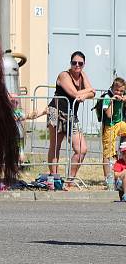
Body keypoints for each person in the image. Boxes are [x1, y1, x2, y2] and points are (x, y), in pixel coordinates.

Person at [46, 51, 95, 180]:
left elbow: (92, 94)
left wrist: (86, 93)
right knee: (56, 145)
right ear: (70, 63)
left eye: (80, 63)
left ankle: (70, 179)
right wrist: (88, 91)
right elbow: (74, 94)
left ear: (84, 64)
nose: (77, 65)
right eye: (74, 63)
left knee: (81, 149)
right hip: (56, 112)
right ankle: (54, 177)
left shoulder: (82, 75)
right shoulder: (64, 75)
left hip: (71, 115)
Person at [100, 77, 126, 187]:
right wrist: (112, 100)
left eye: (121, 91)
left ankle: (121, 155)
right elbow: (109, 114)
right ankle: (108, 178)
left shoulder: (122, 95)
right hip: (109, 126)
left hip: (119, 124)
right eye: (117, 90)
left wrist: (123, 98)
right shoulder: (107, 97)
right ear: (112, 88)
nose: (119, 93)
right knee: (108, 152)